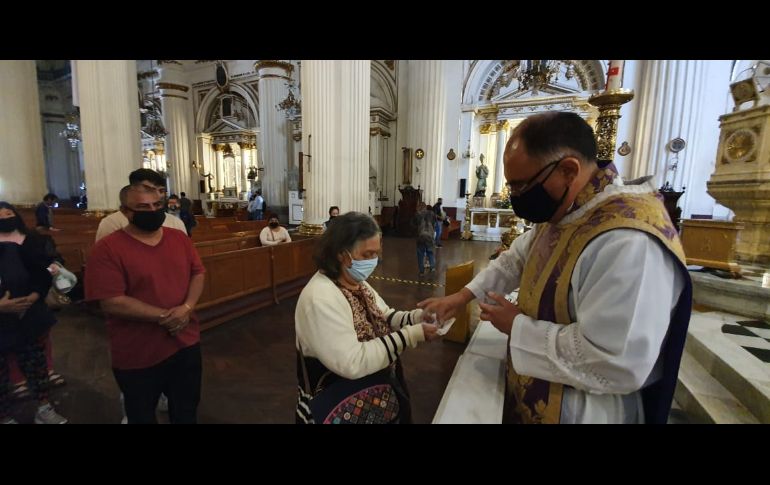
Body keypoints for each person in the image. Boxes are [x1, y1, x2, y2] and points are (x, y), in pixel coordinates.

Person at [418, 111, 692, 424]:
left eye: (522, 186)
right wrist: (461, 297)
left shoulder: (628, 240)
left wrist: (516, 326)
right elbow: (517, 259)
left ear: (568, 169)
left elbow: (617, 362)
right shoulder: (571, 210)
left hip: (588, 410)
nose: (518, 198)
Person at [294, 212, 440, 424]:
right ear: (341, 254)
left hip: (371, 397)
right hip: (338, 403)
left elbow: (384, 316)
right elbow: (352, 362)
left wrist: (417, 318)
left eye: (376, 254)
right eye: (367, 254)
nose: (374, 261)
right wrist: (411, 335)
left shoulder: (354, 281)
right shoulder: (320, 297)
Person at [85, 186, 205, 424]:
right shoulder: (107, 249)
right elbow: (111, 301)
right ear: (125, 211)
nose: (152, 211)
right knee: (141, 414)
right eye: (143, 207)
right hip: (137, 350)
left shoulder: (179, 238)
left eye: (156, 205)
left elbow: (198, 272)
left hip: (185, 341)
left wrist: (187, 308)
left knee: (186, 412)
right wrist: (166, 317)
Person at [0, 202, 67, 424]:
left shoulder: (31, 241)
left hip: (30, 311)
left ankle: (44, 407)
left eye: (9, 214)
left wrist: (36, 295)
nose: (5, 218)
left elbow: (45, 271)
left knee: (36, 366)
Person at [96, 169, 187, 241]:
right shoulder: (111, 223)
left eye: (161, 191)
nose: (157, 195)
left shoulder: (175, 223)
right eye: (148, 190)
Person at [414, 202, 436, 276]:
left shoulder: (417, 215)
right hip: (430, 236)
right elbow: (434, 223)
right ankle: (432, 267)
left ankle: (422, 272)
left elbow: (413, 225)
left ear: (418, 207)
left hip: (421, 237)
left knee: (420, 254)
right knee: (430, 252)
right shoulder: (432, 213)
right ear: (425, 207)